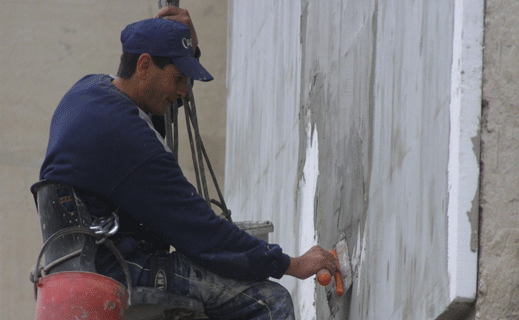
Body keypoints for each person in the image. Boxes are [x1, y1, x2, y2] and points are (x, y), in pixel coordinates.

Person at [38, 6, 337, 320]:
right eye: (178, 78)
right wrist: (291, 264)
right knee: (269, 302)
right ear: (143, 65)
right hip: (121, 272)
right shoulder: (132, 142)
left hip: (77, 270)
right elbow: (201, 232)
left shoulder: (87, 92)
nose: (183, 92)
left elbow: (149, 121)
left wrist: (183, 47)